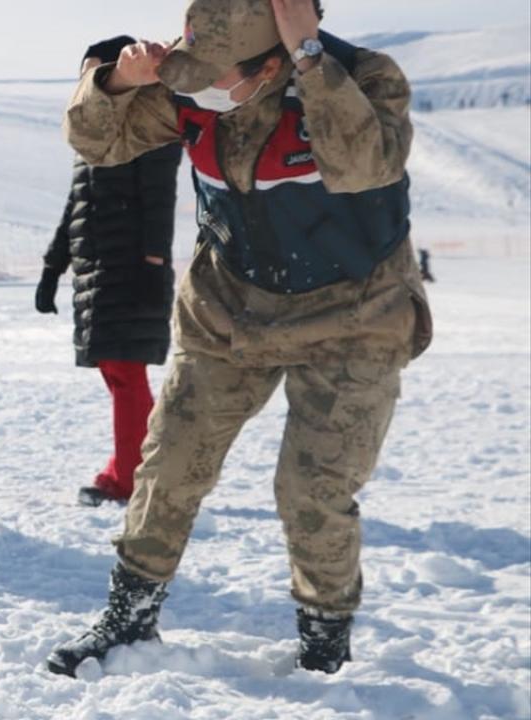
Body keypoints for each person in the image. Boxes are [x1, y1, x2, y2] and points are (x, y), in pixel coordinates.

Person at [46, 0, 432, 678]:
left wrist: (313, 65)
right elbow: (96, 142)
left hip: (354, 319)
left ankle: (325, 643)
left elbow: (364, 164)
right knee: (169, 463)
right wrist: (115, 83)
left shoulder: (367, 77)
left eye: (219, 76)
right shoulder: (192, 92)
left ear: (272, 62)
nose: (199, 90)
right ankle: (128, 616)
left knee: (310, 488)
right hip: (228, 311)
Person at [36, 35, 182, 507]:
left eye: (95, 71)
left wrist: (152, 264)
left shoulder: (149, 131)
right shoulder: (91, 141)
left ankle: (127, 479)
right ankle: (146, 465)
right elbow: (74, 207)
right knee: (116, 372)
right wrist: (52, 266)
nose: (87, 84)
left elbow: (161, 201)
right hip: (97, 271)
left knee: (124, 374)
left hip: (130, 268)